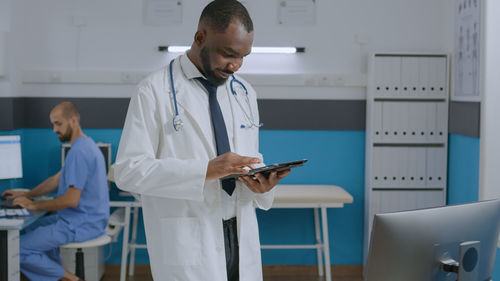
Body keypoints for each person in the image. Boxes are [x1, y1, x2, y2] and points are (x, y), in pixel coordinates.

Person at [114, 1, 290, 280]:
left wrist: (262, 187)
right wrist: (206, 170)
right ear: (200, 38)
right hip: (189, 243)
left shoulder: (245, 93)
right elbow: (127, 171)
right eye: (228, 54)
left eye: (244, 56)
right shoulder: (153, 91)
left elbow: (248, 160)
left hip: (239, 236)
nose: (235, 65)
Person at [2, 102, 110, 281]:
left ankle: (71, 279)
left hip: (82, 224)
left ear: (73, 120)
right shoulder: (84, 145)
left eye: (58, 124)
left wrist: (34, 204)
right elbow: (56, 180)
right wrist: (26, 195)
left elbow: (70, 200)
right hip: (83, 219)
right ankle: (60, 273)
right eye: (53, 124)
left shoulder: (79, 152)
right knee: (32, 230)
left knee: (16, 248)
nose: (54, 129)